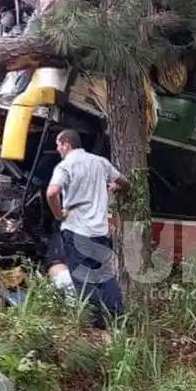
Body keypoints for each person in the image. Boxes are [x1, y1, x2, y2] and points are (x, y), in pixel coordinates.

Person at [46, 129, 130, 328]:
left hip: (76, 230)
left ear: (67, 144)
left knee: (83, 278)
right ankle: (119, 319)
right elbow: (125, 183)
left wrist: (59, 214)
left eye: (59, 145)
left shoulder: (65, 166)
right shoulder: (101, 162)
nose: (58, 149)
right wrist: (116, 189)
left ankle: (95, 323)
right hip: (100, 231)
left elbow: (52, 193)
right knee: (105, 276)